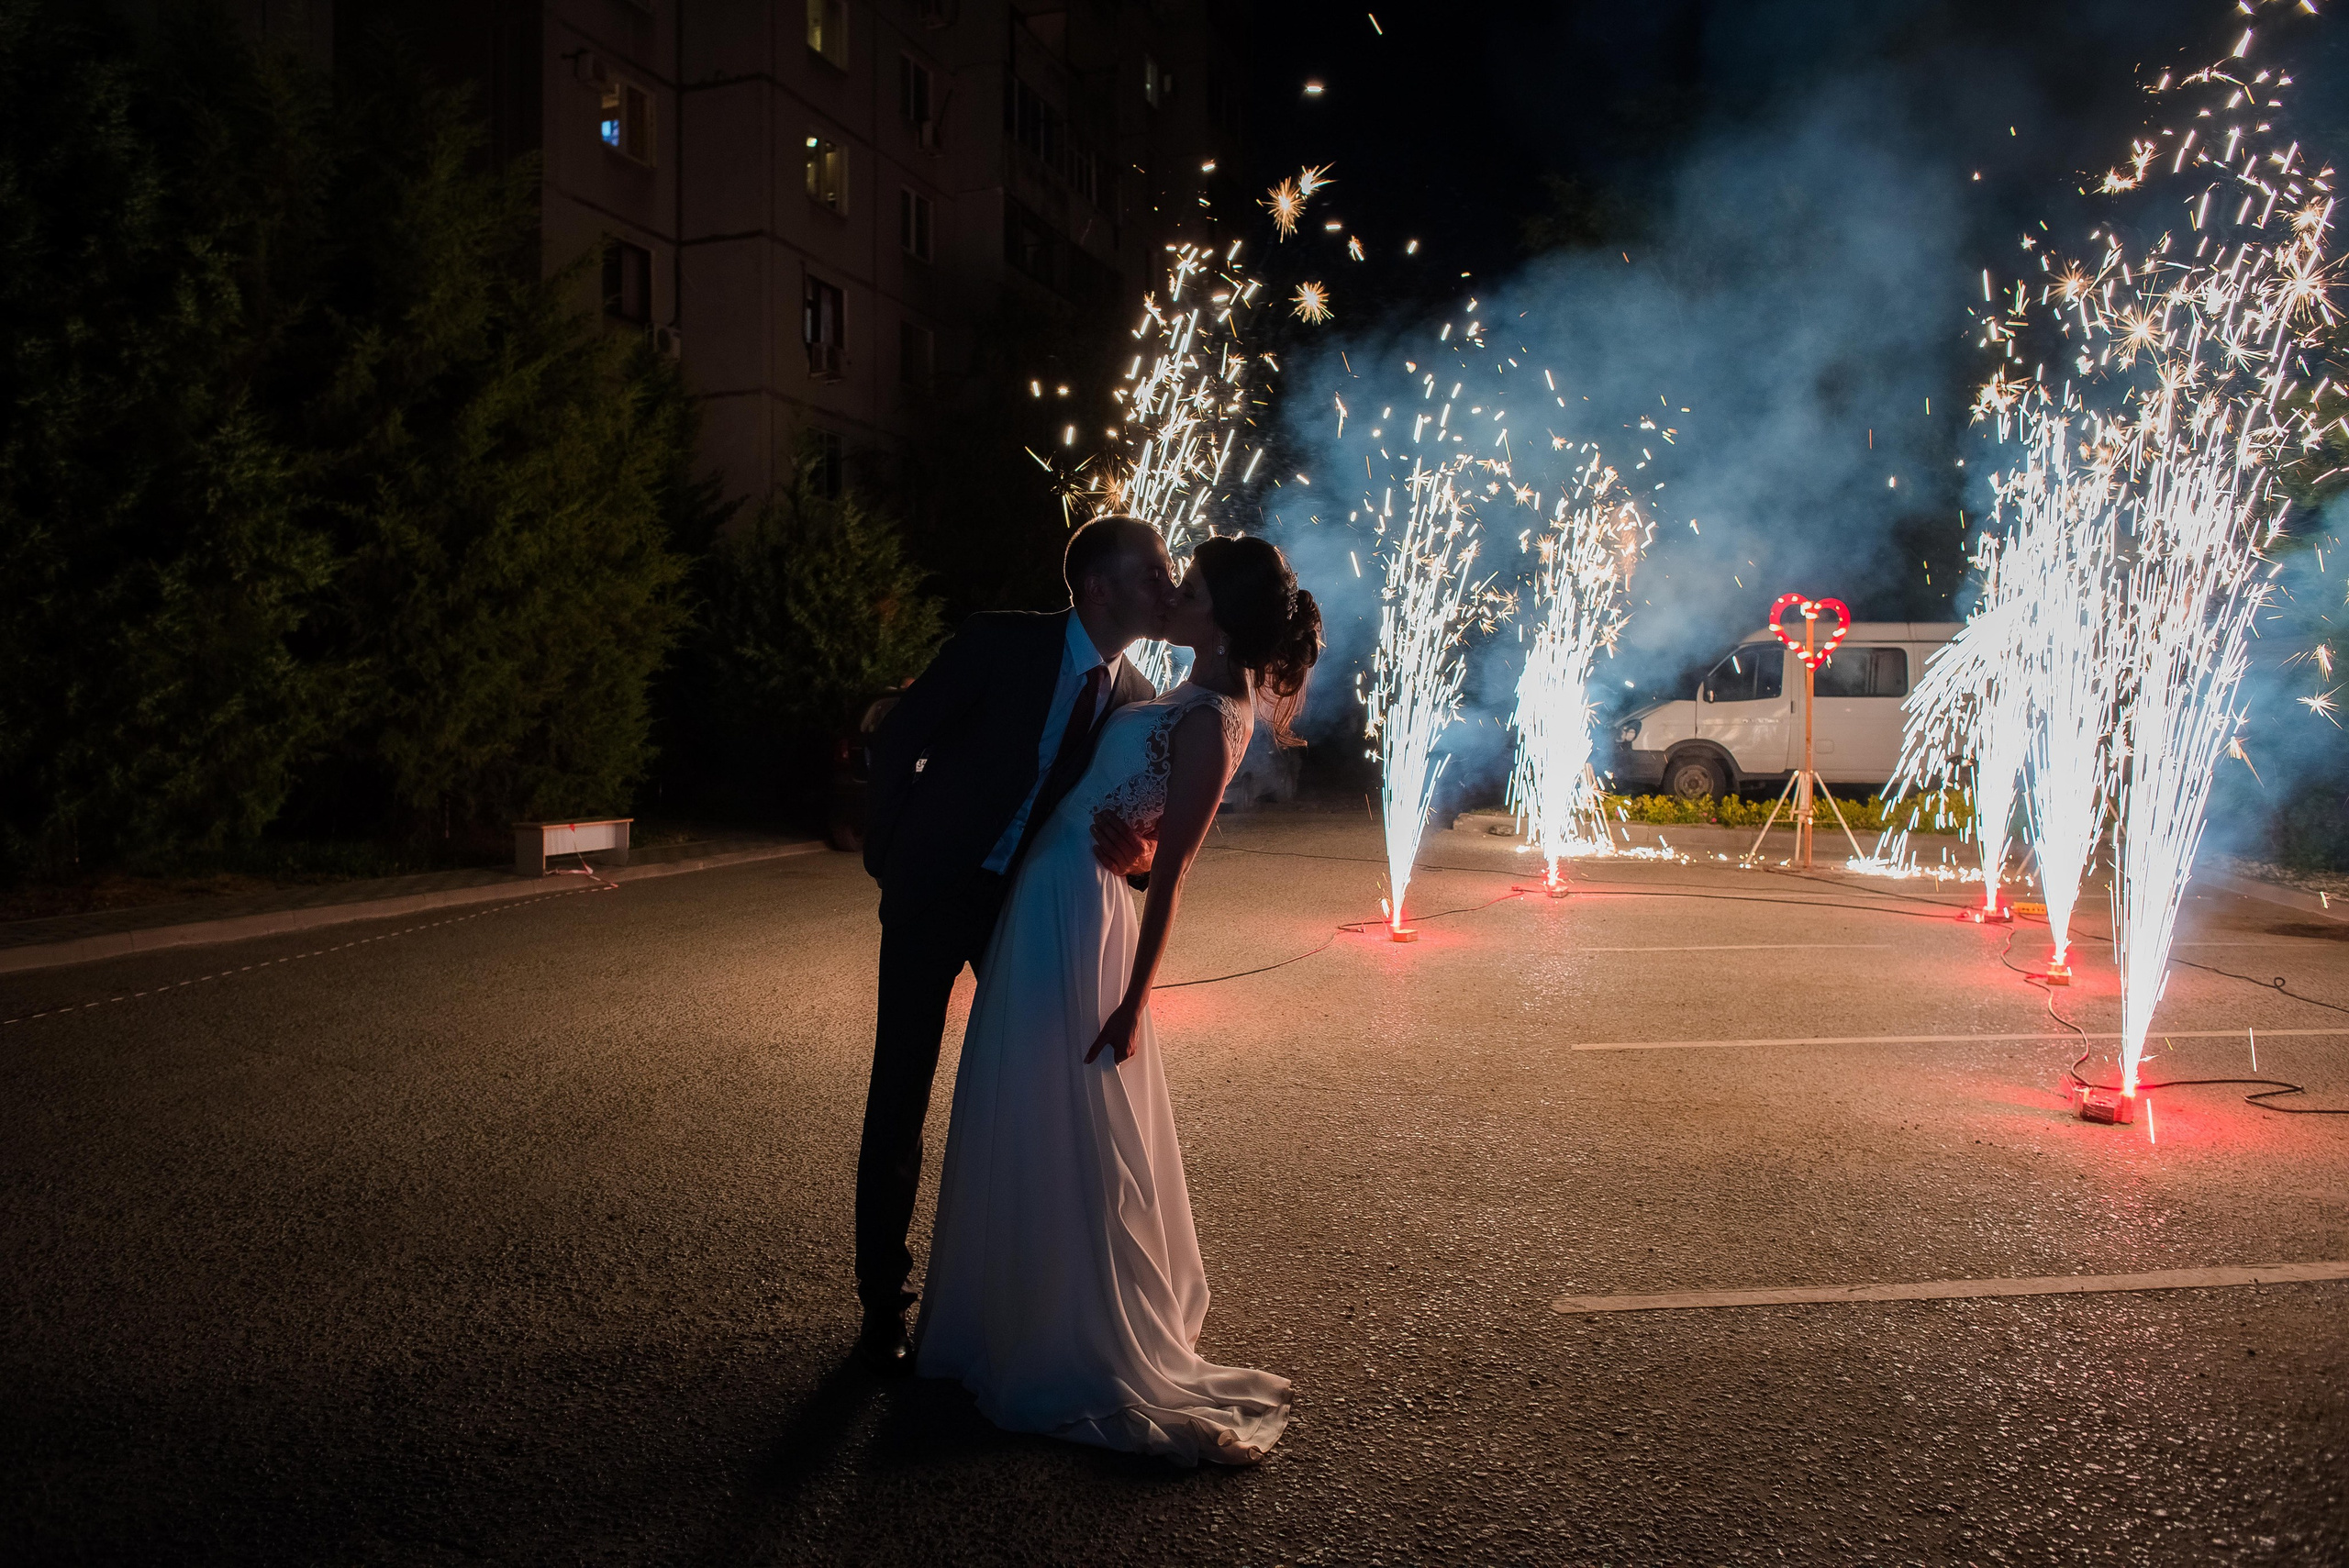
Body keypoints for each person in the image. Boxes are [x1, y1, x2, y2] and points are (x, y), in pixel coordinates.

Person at [917, 535, 1322, 1466]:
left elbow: (1172, 870)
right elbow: (1130, 814)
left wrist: (1135, 999)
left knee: (1071, 1112)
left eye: (1193, 583)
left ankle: (1077, 1330)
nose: (1174, 588)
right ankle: (1008, 1311)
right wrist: (1128, 840)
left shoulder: (1217, 717)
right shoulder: (1170, 690)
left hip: (1079, 919)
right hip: (1047, 896)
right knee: (1024, 1099)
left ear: (1216, 615)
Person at [855, 515, 1174, 1374]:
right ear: (1097, 588)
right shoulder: (1000, 644)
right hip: (934, 891)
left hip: (1029, 910)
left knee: (1025, 1096)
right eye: (1152, 572)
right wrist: (887, 855)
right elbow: (900, 735)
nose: (1167, 585)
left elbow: (1133, 823)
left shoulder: (1138, 694)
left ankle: (1010, 1298)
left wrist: (1137, 859)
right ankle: (882, 1302)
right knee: (902, 1090)